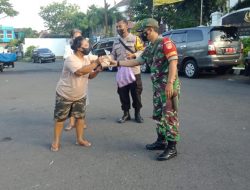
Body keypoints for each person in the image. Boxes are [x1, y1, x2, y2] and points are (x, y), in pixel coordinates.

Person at [109, 18, 181, 161]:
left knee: (169, 116)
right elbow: (137, 61)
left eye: (143, 31)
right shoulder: (151, 46)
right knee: (159, 115)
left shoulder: (166, 43)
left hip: (168, 88)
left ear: (150, 29)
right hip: (158, 88)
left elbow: (173, 62)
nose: (142, 34)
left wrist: (170, 83)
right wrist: (117, 62)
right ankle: (161, 141)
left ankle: (172, 147)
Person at [51, 36, 103, 152]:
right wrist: (96, 63)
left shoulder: (86, 59)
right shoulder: (71, 59)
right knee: (60, 119)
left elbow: (89, 75)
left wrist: (97, 71)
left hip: (80, 95)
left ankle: (80, 139)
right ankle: (56, 141)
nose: (88, 46)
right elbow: (80, 72)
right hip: (65, 94)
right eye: (86, 45)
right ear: (79, 48)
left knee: (80, 118)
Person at [111, 18, 144, 123]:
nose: (118, 28)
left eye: (120, 26)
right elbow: (113, 54)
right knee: (122, 94)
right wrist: (109, 59)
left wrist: (134, 55)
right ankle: (126, 114)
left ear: (126, 26)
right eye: (117, 27)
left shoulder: (135, 39)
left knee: (136, 94)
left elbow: (143, 51)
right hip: (121, 73)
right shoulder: (116, 41)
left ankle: (137, 113)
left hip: (134, 72)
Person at [63, 29, 88, 131]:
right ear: (72, 37)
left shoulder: (84, 46)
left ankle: (81, 122)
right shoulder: (68, 47)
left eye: (80, 36)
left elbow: (90, 58)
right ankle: (71, 123)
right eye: (75, 36)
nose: (78, 38)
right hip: (72, 75)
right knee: (71, 102)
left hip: (83, 78)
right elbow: (66, 58)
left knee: (81, 102)